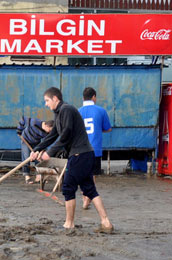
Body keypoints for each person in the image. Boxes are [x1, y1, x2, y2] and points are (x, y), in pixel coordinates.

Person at [31, 87, 113, 234]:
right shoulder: (59, 114)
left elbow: (66, 133)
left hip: (79, 155)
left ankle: (69, 224)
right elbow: (53, 135)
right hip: (84, 154)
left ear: (55, 98)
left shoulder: (67, 110)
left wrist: (50, 153)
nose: (46, 104)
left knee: (68, 187)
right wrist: (37, 149)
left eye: (47, 100)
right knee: (89, 188)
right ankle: (106, 222)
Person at [78, 87, 112, 209]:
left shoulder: (78, 111)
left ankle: (84, 198)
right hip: (95, 149)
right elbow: (108, 128)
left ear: (83, 98)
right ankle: (87, 199)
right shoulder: (101, 111)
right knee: (92, 175)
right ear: (94, 97)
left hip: (80, 149)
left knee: (82, 174)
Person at [16, 117, 54, 184]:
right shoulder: (35, 122)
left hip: (36, 143)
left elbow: (45, 143)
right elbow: (23, 119)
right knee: (27, 157)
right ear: (46, 125)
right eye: (49, 130)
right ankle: (27, 176)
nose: (49, 132)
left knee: (38, 159)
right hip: (26, 140)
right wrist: (19, 130)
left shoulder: (47, 133)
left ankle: (38, 176)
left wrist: (41, 152)